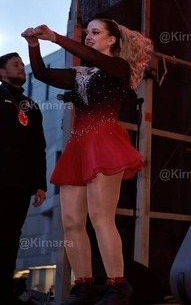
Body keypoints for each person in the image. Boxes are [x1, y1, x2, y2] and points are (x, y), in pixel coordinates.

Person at [22, 19, 152, 305]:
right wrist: (34, 46)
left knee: (101, 217)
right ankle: (84, 287)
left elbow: (93, 57)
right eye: (87, 33)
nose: (89, 37)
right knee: (71, 222)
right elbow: (41, 73)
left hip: (103, 140)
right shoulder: (81, 73)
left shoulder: (118, 67)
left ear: (112, 40)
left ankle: (118, 286)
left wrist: (55, 37)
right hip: (79, 143)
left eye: (95, 33)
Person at [0, 53, 47, 305]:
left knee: (11, 237)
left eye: (22, 64)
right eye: (15, 65)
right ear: (2, 72)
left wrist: (40, 183)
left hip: (20, 184)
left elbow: (38, 147)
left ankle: (5, 291)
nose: (21, 67)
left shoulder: (31, 106)